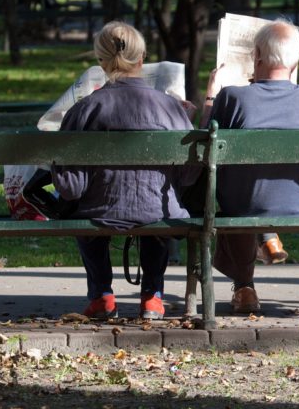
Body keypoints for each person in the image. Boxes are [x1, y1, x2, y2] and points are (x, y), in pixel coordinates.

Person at [52, 21, 196, 320]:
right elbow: (188, 176)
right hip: (159, 209)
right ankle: (153, 297)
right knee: (157, 208)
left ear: (101, 63)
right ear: (142, 59)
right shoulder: (171, 109)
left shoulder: (85, 109)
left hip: (99, 210)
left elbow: (71, 189)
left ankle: (102, 295)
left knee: (81, 210)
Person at [203, 20, 299, 313]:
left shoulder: (233, 97)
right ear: (296, 60)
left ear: (258, 57)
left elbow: (205, 149)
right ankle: (267, 240)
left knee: (239, 197)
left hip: (245, 204)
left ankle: (245, 287)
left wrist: (210, 97)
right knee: (251, 190)